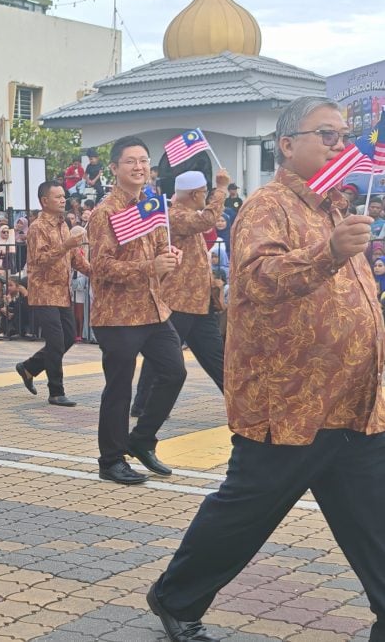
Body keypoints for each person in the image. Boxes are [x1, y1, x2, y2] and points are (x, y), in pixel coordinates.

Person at [149, 96, 385, 642]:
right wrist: (328, 252)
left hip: (352, 402)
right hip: (290, 404)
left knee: (375, 523)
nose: (339, 144)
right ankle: (175, 597)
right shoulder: (268, 205)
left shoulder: (333, 208)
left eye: (343, 135)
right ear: (286, 144)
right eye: (326, 134)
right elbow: (256, 279)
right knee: (243, 516)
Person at [86, 136, 185, 485]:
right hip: (117, 315)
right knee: (119, 388)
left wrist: (171, 257)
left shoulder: (153, 205)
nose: (139, 167)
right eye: (131, 161)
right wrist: (149, 267)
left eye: (143, 160)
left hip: (154, 309)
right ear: (114, 169)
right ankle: (110, 460)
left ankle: (141, 440)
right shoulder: (105, 213)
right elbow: (100, 266)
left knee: (174, 372)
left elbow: (161, 246)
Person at [132, 170, 229, 420]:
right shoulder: (173, 215)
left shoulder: (184, 214)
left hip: (199, 301)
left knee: (216, 356)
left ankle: (240, 401)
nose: (206, 198)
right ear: (195, 194)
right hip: (178, 300)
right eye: (204, 193)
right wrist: (221, 190)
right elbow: (207, 220)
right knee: (163, 357)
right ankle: (142, 405)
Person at [15, 182, 91, 407]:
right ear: (44, 201)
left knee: (68, 338)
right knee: (56, 341)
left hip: (62, 292)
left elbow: (74, 256)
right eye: (57, 197)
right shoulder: (38, 227)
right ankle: (56, 391)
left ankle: (29, 367)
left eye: (63, 196)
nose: (62, 200)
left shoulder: (63, 224)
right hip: (44, 291)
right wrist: (66, 245)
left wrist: (94, 271)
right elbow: (39, 259)